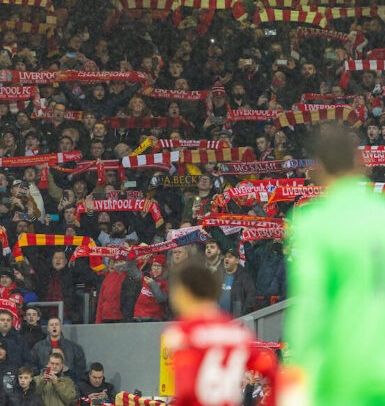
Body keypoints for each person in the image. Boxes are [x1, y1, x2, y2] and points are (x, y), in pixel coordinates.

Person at [286, 126, 385, 405]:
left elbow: (310, 306)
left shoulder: (314, 222)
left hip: (342, 371)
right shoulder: (381, 213)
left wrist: (298, 376)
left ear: (321, 168)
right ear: (359, 161)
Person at [163, 261, 276, 406]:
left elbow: (186, 391)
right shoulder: (239, 334)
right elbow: (274, 377)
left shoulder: (184, 334)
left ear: (185, 292)